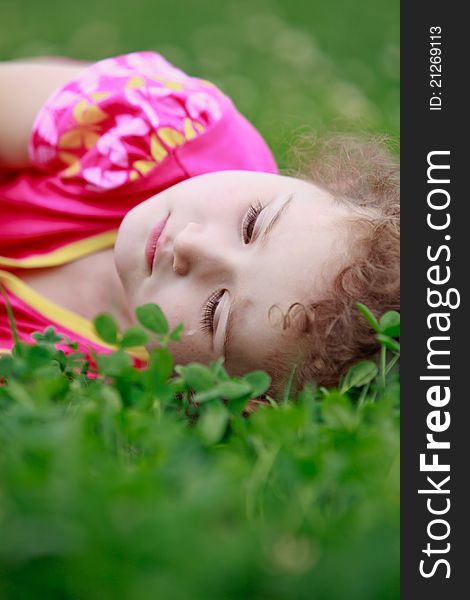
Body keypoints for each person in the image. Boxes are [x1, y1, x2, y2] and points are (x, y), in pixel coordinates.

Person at [0, 51, 399, 393]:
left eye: (215, 311)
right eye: (252, 223)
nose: (194, 247)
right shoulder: (168, 130)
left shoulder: (84, 385)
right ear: (316, 181)